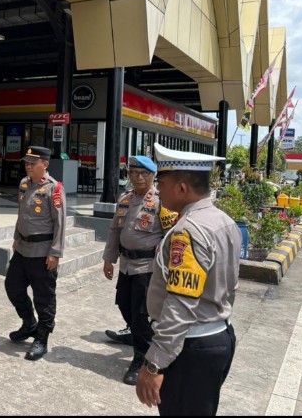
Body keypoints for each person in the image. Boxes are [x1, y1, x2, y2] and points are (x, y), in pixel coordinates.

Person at [136, 143, 240, 416]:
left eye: (161, 183)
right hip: (218, 335)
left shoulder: (189, 231)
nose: (157, 191)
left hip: (190, 347)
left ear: (182, 188)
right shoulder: (224, 220)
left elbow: (180, 304)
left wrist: (155, 363)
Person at [102, 156, 177, 385]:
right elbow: (114, 231)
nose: (139, 177)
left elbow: (172, 235)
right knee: (124, 304)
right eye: (134, 173)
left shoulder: (162, 201)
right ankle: (139, 335)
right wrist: (109, 259)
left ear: (153, 175)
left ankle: (141, 360)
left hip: (148, 268)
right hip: (126, 265)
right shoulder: (125, 199)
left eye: (144, 173)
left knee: (141, 313)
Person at [5, 146, 65, 361]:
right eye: (27, 163)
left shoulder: (54, 189)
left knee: (44, 297)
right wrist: (16, 238)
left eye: (33, 163)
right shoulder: (24, 183)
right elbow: (22, 214)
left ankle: (42, 338)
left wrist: (55, 253)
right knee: (12, 286)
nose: (28, 166)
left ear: (45, 164)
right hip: (22, 248)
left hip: (42, 251)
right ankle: (29, 323)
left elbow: (60, 223)